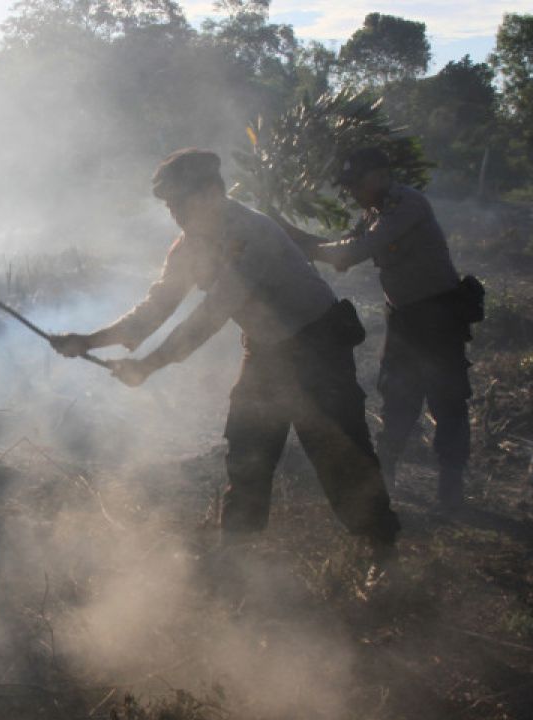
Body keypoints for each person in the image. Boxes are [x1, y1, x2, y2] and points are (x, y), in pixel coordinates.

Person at [50, 148, 400, 555]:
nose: (175, 214)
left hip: (316, 344)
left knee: (339, 450)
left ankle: (382, 547)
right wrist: (88, 341)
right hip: (267, 351)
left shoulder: (250, 233)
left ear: (213, 192)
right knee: (248, 448)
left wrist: (148, 365)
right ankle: (236, 560)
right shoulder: (188, 247)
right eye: (170, 205)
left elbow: (212, 314)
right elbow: (156, 307)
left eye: (181, 202)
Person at [277, 147, 480, 509]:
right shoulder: (374, 212)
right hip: (404, 319)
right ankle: (385, 480)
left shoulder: (407, 205)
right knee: (397, 398)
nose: (352, 191)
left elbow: (352, 253)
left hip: (438, 318)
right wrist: (298, 238)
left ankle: (451, 489)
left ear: (379, 176)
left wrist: (298, 239)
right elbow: (345, 247)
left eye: (356, 183)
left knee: (446, 399)